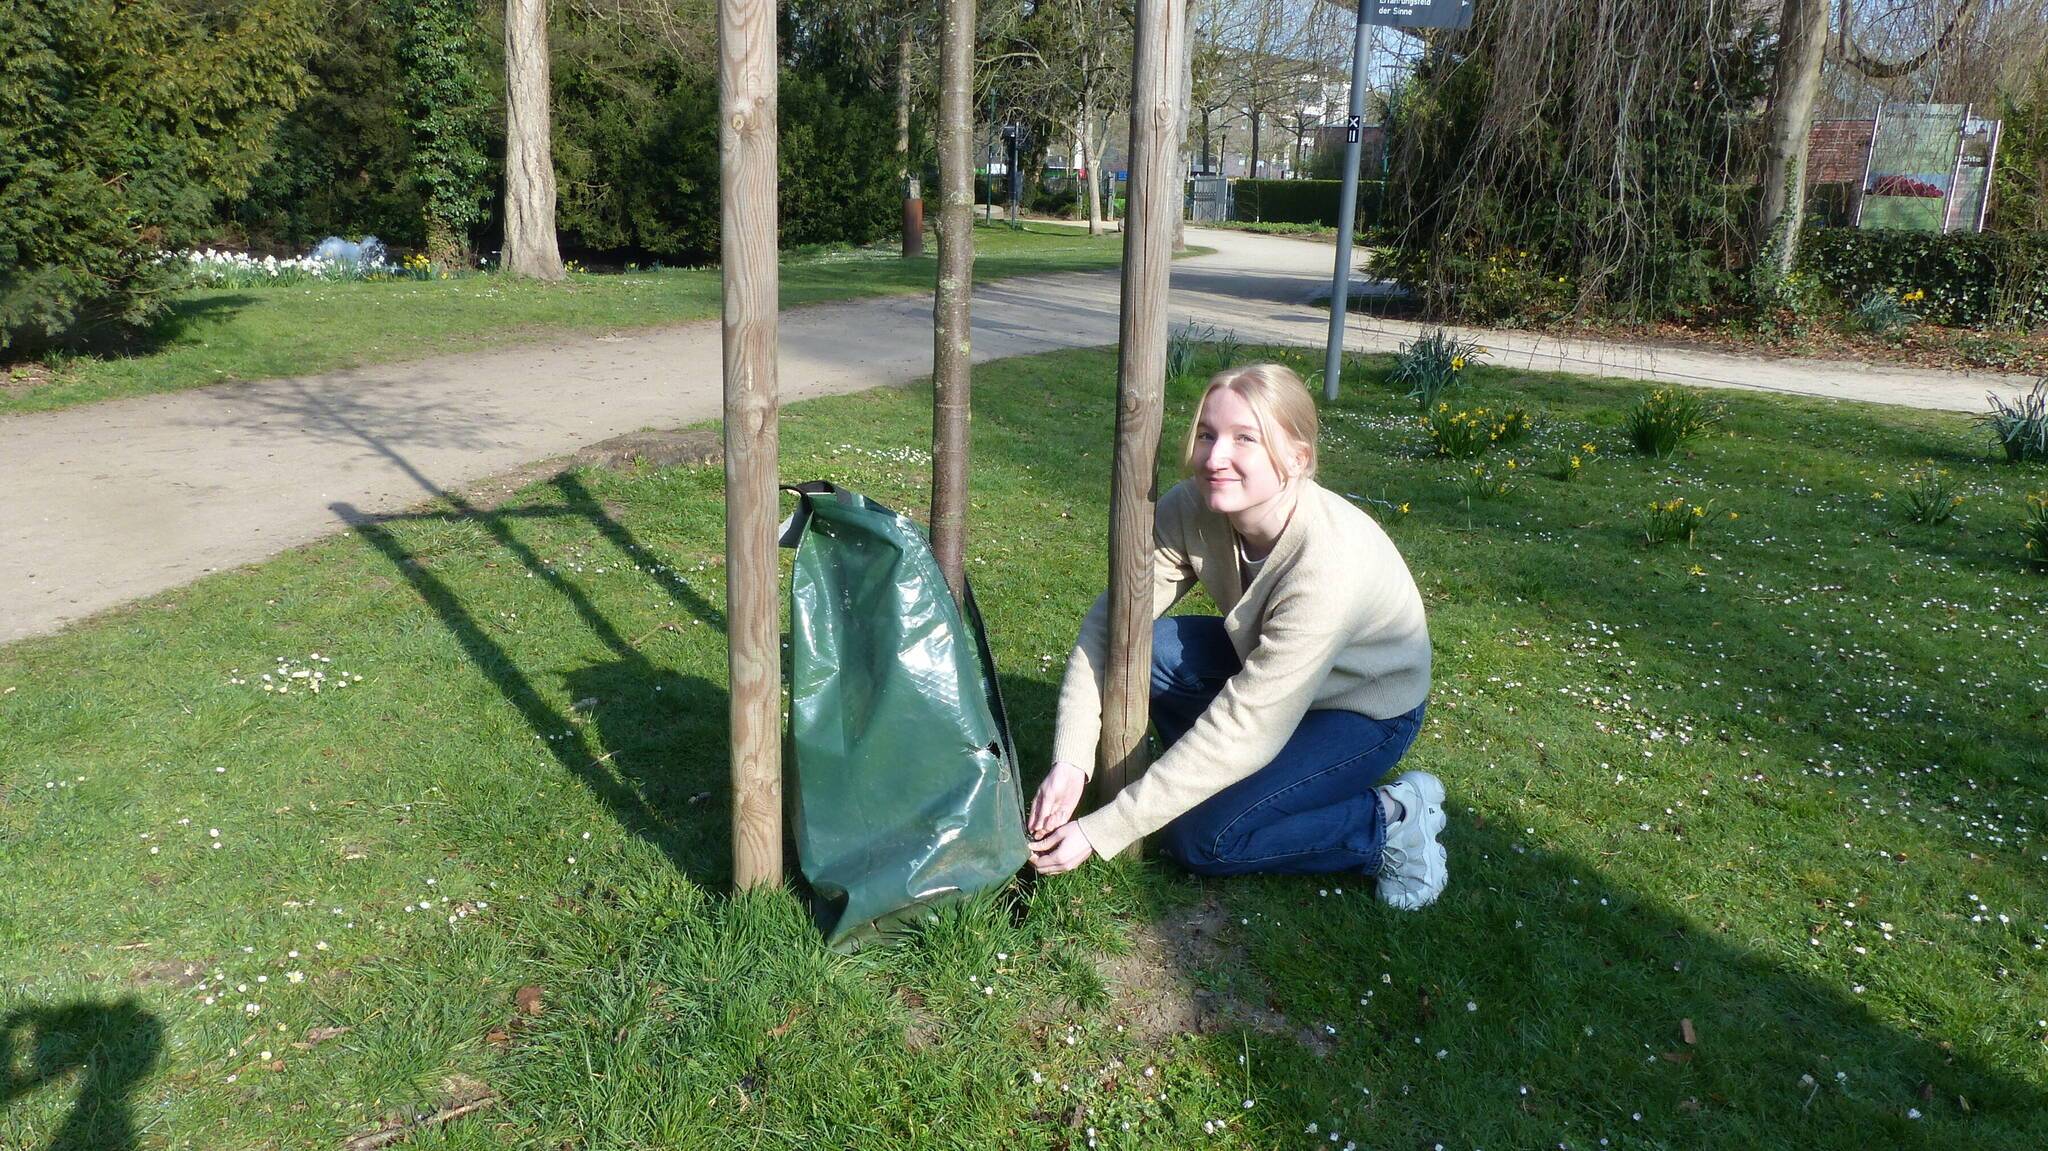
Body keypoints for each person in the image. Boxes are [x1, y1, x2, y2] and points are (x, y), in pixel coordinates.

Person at [1025, 362, 1445, 909]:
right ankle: (1220, 784)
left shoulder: (1328, 565)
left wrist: (1103, 829)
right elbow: (1111, 629)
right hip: (1269, 676)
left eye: (1245, 438)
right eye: (1206, 433)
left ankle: (1387, 822)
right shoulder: (1192, 507)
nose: (1214, 457)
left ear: (1297, 456)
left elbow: (1249, 727)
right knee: (1150, 651)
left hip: (1362, 709)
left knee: (1203, 839)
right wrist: (1071, 761)